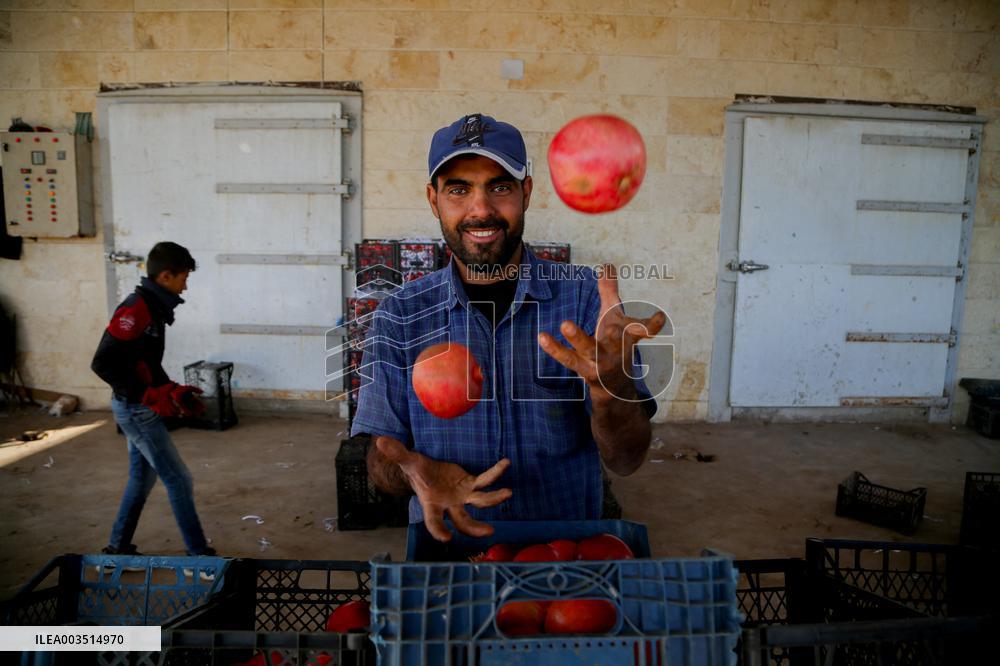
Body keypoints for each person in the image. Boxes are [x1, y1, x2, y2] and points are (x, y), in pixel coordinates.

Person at [351, 113, 665, 542]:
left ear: (527, 192)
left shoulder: (586, 301)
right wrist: (411, 471)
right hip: (449, 549)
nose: (481, 210)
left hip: (565, 550)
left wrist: (612, 391)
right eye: (458, 190)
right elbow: (382, 459)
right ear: (433, 199)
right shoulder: (400, 315)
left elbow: (627, 459)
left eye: (499, 187)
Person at [91, 241, 216, 557]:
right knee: (179, 480)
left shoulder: (154, 306)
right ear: (165, 277)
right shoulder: (136, 310)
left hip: (137, 405)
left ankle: (116, 552)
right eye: (183, 277)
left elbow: (143, 361)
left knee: (141, 480)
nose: (186, 285)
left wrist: (169, 389)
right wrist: (146, 394)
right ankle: (198, 558)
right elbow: (103, 362)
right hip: (135, 409)